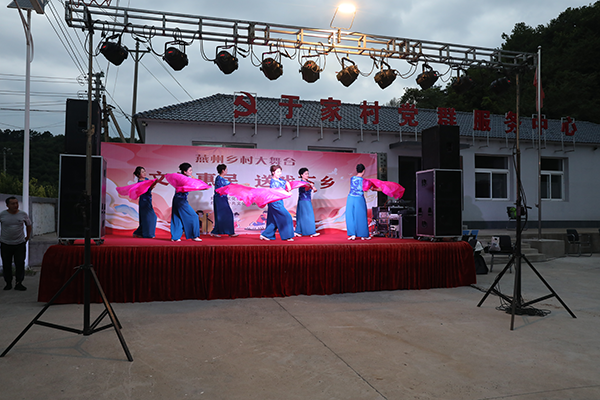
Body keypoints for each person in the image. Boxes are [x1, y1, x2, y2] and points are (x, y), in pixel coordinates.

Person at [1, 197, 33, 291]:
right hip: (5, 243)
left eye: (16, 203)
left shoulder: (23, 214)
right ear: (7, 205)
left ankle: (19, 283)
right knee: (6, 264)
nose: (15, 205)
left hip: (19, 243)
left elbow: (29, 225)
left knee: (20, 263)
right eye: (13, 204)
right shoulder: (2, 215)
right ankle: (8, 283)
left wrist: (27, 236)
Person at [260, 165, 294, 241]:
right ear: (273, 172)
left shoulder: (279, 180)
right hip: (275, 203)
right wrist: (287, 193)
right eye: (277, 172)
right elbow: (277, 192)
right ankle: (287, 236)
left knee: (274, 220)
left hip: (279, 202)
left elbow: (285, 182)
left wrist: (288, 184)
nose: (280, 173)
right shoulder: (273, 182)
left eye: (280, 171)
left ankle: (266, 235)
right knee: (287, 216)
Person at [170, 162, 202, 242]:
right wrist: (203, 187)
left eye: (191, 170)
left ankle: (175, 237)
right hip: (180, 201)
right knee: (193, 216)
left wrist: (201, 184)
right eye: (190, 170)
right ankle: (194, 236)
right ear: (185, 171)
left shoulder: (186, 177)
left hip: (178, 199)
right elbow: (192, 186)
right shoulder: (182, 179)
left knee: (177, 217)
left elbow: (196, 181)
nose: (191, 172)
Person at [346, 163, 378, 240]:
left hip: (350, 198)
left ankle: (352, 234)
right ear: (363, 171)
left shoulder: (352, 178)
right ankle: (363, 235)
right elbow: (371, 189)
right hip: (359, 198)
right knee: (361, 216)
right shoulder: (364, 181)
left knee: (350, 216)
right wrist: (381, 189)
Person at [211, 164, 238, 237]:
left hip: (223, 198)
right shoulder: (220, 179)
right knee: (221, 215)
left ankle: (229, 232)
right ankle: (217, 232)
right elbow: (230, 185)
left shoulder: (221, 178)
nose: (226, 171)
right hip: (219, 199)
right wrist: (243, 185)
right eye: (226, 169)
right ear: (223, 170)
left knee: (225, 215)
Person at [132, 166, 157, 238]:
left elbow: (150, 189)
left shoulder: (146, 179)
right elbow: (144, 190)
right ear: (138, 174)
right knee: (150, 217)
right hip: (144, 201)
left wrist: (153, 184)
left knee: (146, 218)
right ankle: (148, 234)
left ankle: (139, 233)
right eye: (142, 172)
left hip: (148, 200)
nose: (144, 173)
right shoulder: (139, 183)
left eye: (144, 171)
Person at [294, 167, 320, 237]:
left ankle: (298, 231)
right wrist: (310, 186)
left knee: (302, 215)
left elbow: (315, 190)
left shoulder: (308, 182)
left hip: (307, 200)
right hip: (303, 201)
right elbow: (305, 190)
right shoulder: (301, 183)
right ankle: (311, 232)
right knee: (308, 215)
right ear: (301, 175)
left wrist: (312, 186)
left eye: (308, 174)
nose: (307, 175)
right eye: (305, 174)